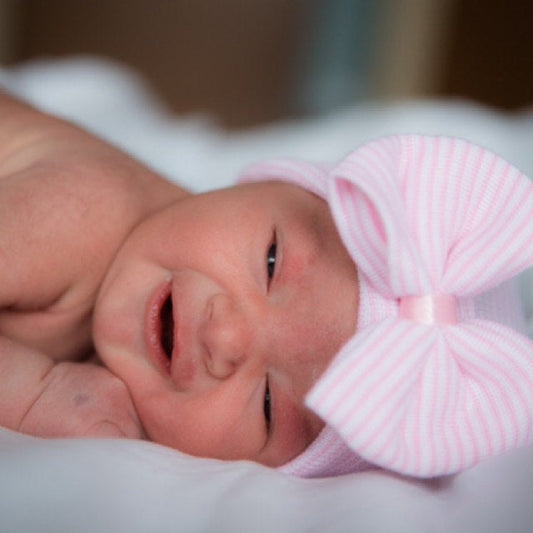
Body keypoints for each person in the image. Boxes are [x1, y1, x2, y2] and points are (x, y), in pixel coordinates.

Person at [1, 90, 532, 479]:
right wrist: (32, 396)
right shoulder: (81, 212)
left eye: (269, 408)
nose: (226, 337)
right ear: (265, 185)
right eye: (272, 261)